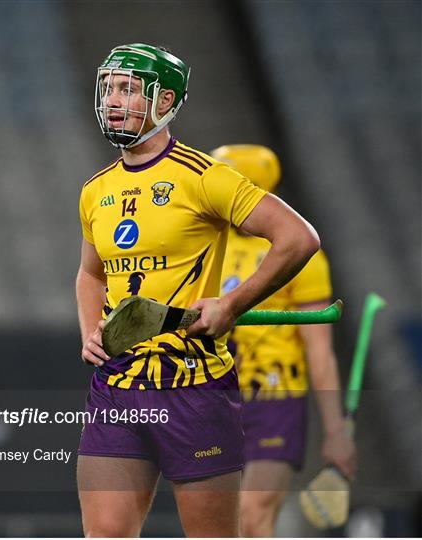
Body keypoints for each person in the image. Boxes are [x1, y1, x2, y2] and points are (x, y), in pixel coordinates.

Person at [76, 43, 320, 537]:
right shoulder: (95, 189)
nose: (114, 100)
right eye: (109, 88)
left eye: (128, 89)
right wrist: (90, 333)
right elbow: (90, 273)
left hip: (194, 387)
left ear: (165, 102)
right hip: (118, 386)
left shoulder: (204, 177)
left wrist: (232, 304)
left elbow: (298, 239)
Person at [211, 144, 357, 537]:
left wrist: (335, 431)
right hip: (216, 398)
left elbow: (319, 350)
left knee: (253, 513)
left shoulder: (298, 253)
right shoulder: (207, 246)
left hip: (277, 398)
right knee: (222, 524)